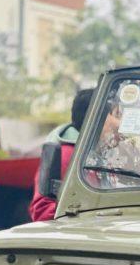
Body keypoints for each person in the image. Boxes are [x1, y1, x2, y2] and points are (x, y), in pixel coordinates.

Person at [29, 88, 93, 221]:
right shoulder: (66, 155)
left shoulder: (100, 154)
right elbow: (42, 210)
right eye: (116, 114)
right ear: (94, 118)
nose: (120, 123)